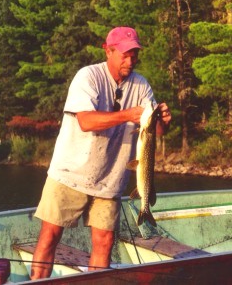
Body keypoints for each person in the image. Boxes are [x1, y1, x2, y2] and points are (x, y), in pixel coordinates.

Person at [30, 26, 171, 279]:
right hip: (69, 173)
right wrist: (127, 115)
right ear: (108, 51)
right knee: (49, 237)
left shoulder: (141, 85)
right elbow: (86, 121)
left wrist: (163, 121)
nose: (131, 60)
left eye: (135, 54)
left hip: (110, 180)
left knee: (104, 242)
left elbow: (155, 131)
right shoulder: (88, 77)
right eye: (125, 55)